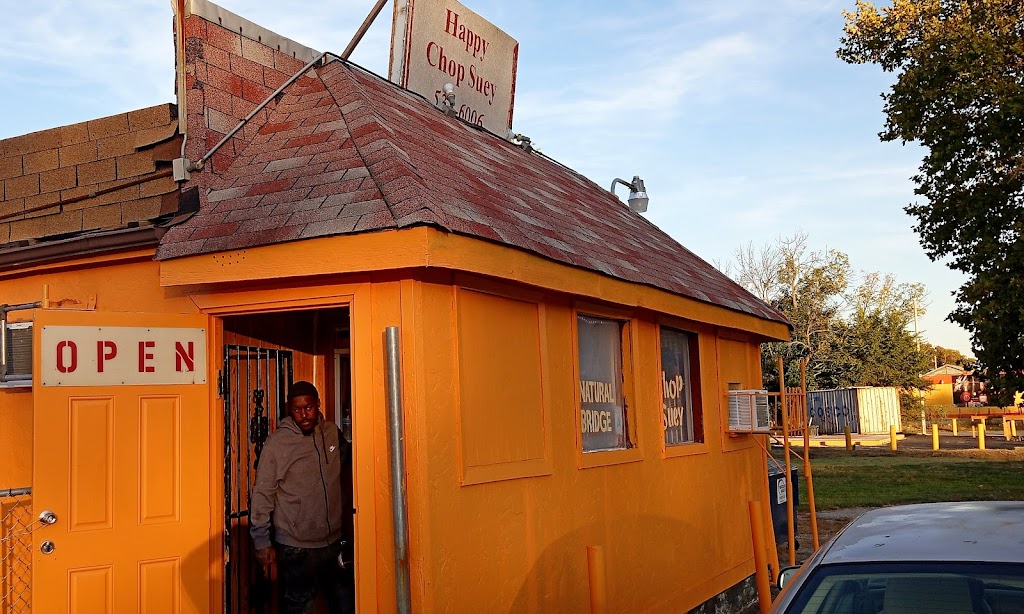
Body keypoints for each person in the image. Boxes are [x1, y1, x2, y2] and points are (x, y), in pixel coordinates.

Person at [250, 380, 355, 614]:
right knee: (299, 608)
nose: (304, 414)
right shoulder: (278, 444)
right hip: (296, 547)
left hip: (334, 541)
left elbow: (353, 467)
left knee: (346, 605)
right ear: (290, 410)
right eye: (297, 410)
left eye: (308, 407)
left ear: (317, 404)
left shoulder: (331, 433)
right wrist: (261, 540)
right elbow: (263, 492)